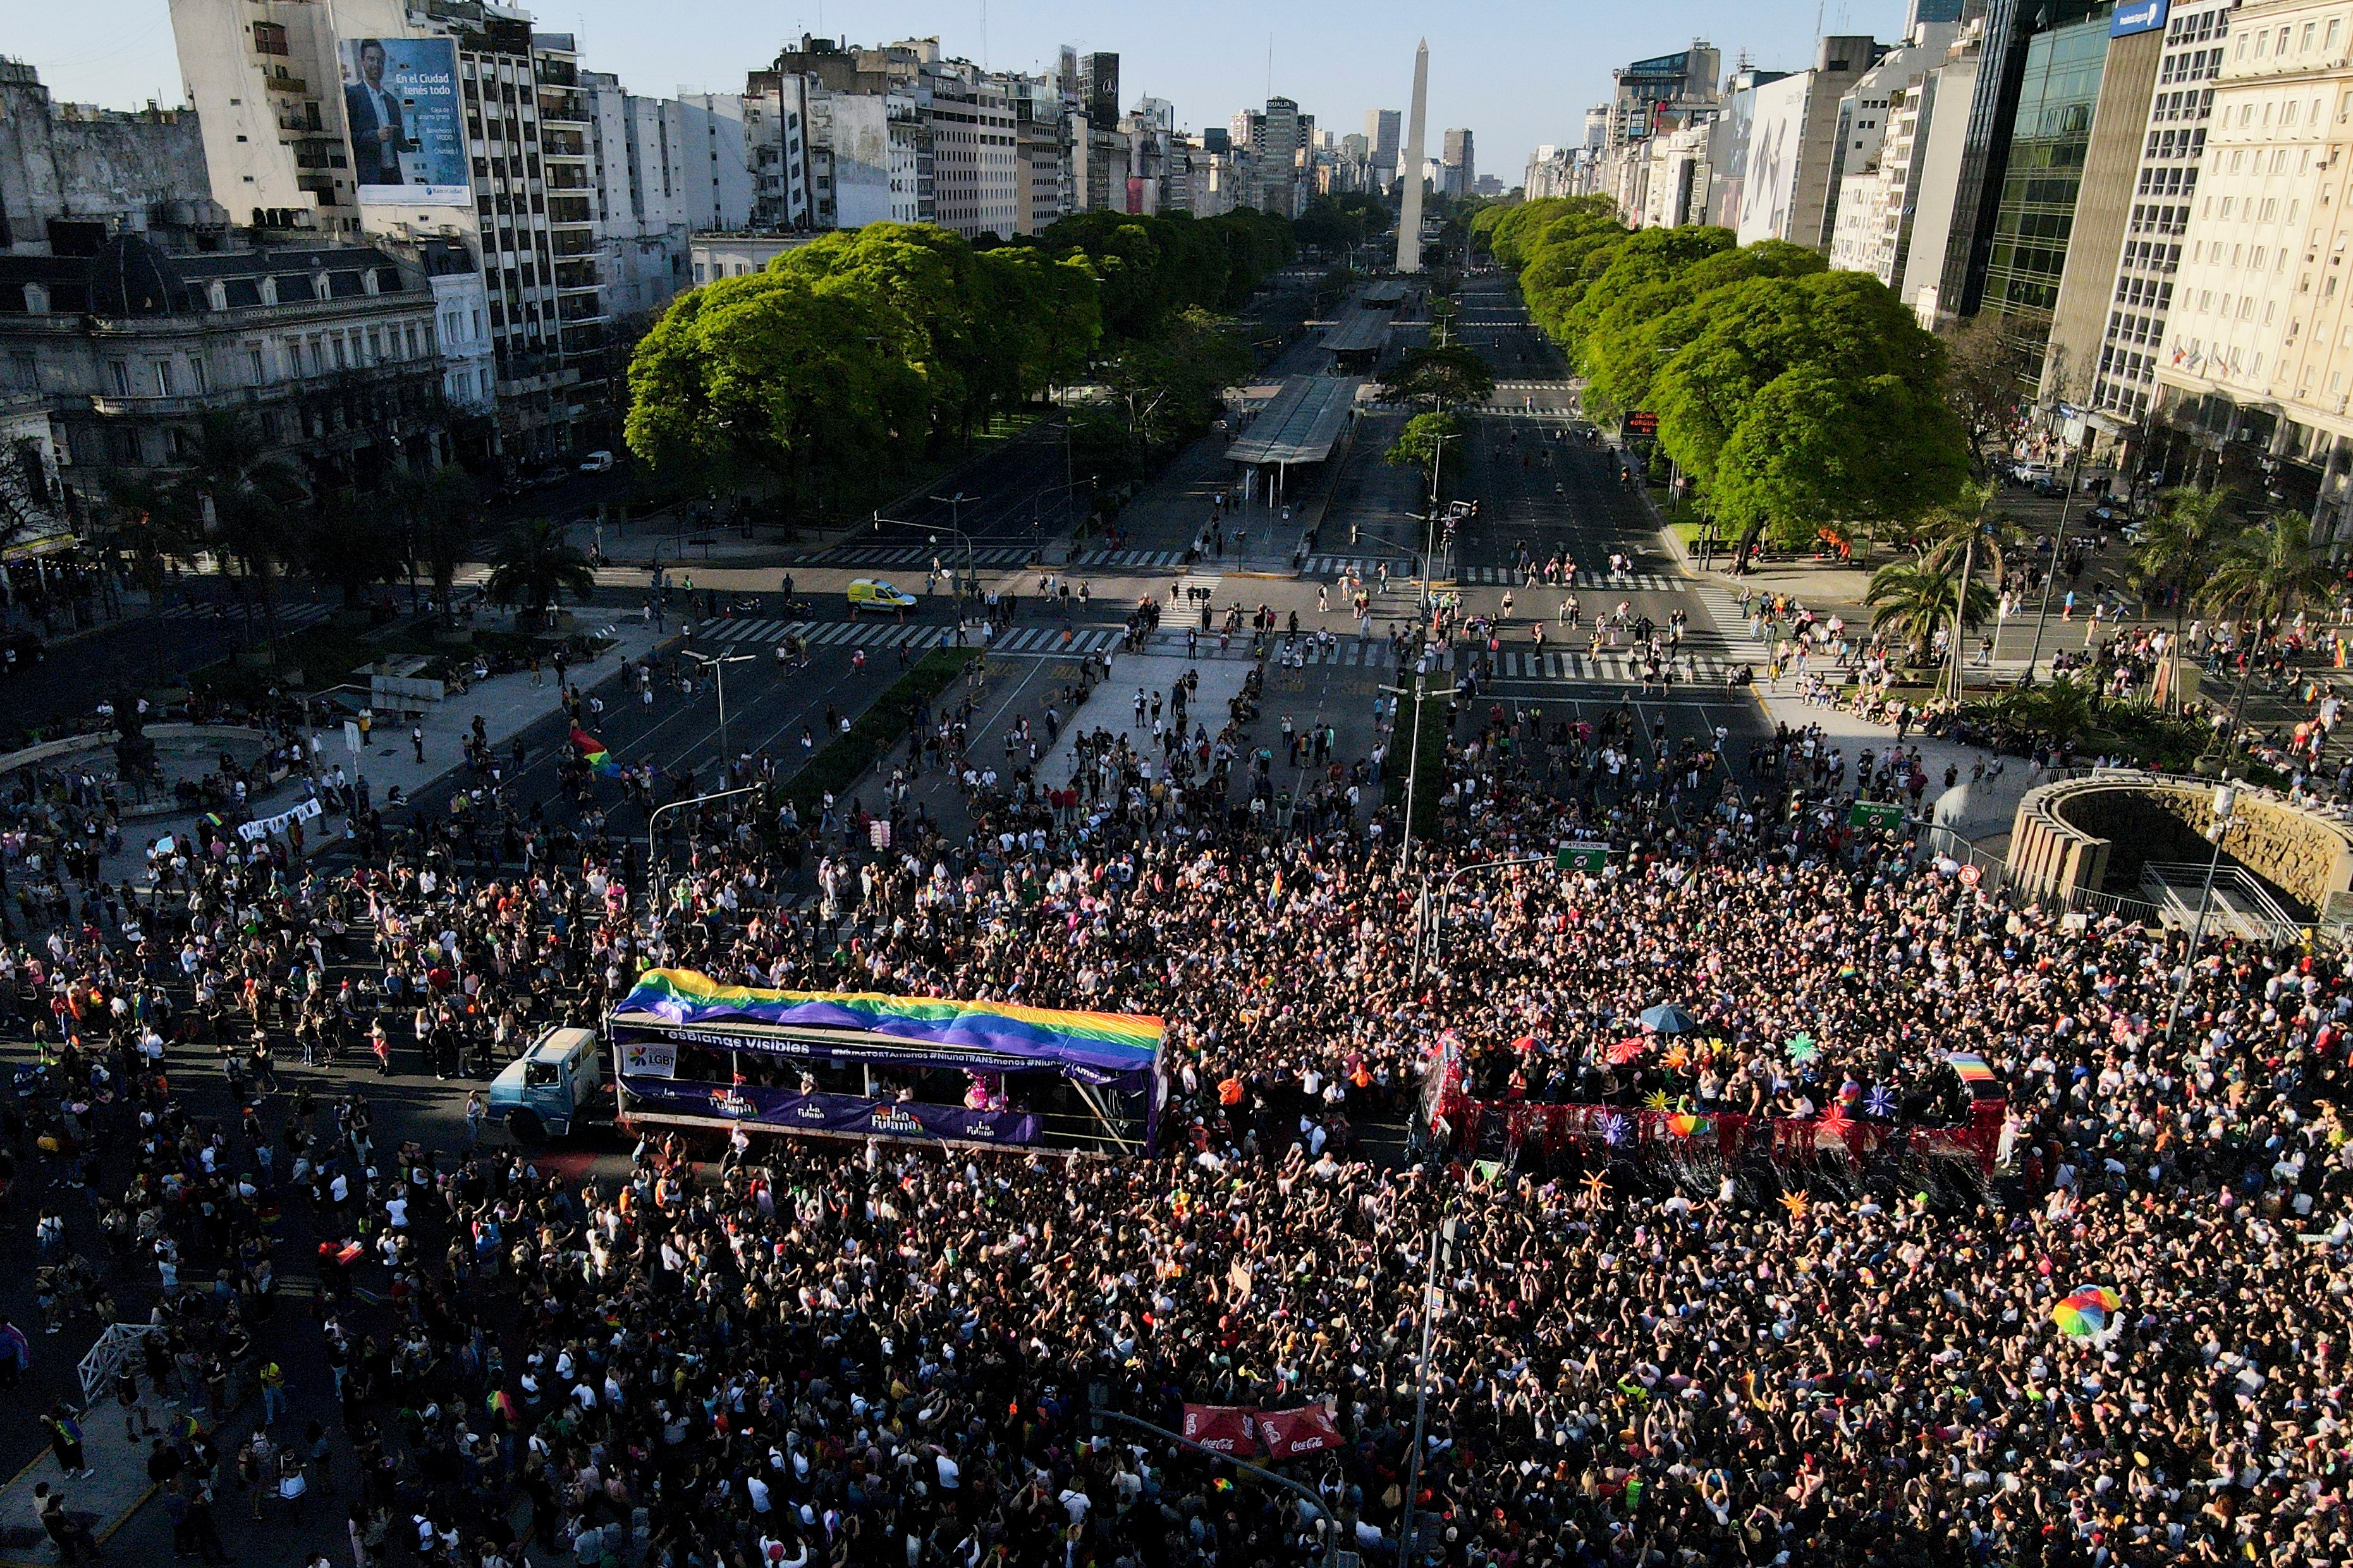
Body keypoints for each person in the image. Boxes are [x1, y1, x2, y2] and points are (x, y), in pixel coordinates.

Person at [341, 40, 408, 188]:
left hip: (394, 178)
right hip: (370, 178)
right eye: (371, 59)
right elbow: (348, 138)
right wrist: (376, 136)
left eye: (380, 61)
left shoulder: (391, 101)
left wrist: (408, 138)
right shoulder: (352, 95)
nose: (376, 65)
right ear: (363, 62)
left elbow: (402, 145)